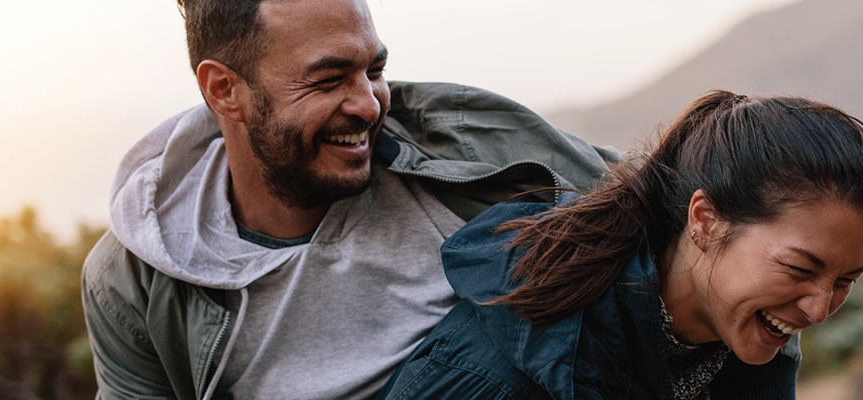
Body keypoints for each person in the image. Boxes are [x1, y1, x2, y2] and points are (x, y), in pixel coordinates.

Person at [81, 1, 801, 399]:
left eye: (376, 69)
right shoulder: (139, 277)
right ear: (223, 91)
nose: (367, 105)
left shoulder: (472, 146)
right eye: (329, 79)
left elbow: (685, 230)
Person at [377, 90, 863, 399]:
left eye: (845, 281)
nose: (820, 309)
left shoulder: (740, 339)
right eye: (800, 269)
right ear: (705, 221)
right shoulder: (496, 379)